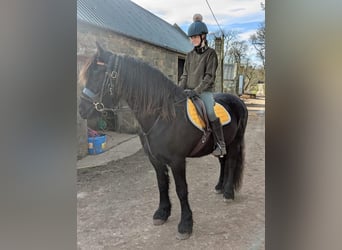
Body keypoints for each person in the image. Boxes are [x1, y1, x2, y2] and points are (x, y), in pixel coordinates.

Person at [179, 14, 226, 157]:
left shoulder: (211, 54)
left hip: (204, 91)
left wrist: (196, 90)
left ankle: (221, 144)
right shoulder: (189, 55)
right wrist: (178, 89)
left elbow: (209, 77)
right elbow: (185, 75)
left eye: (195, 37)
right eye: (191, 37)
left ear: (203, 37)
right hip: (188, 91)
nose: (193, 40)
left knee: (211, 113)